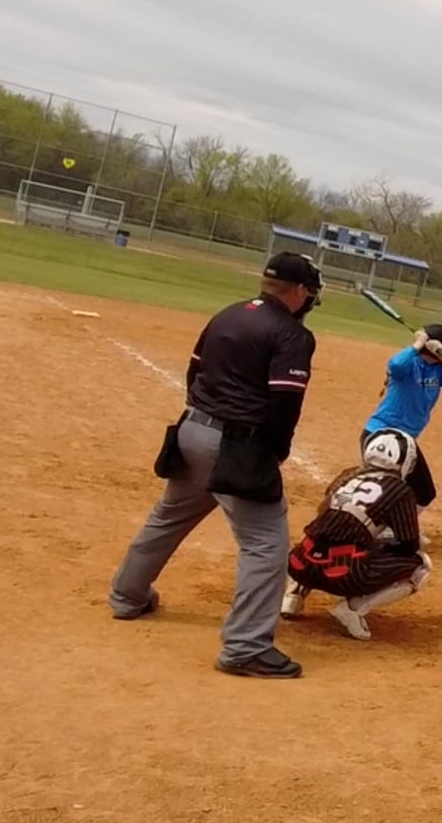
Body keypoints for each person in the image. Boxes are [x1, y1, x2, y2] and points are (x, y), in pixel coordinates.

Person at [107, 251, 323, 679]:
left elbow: (194, 373)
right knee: (265, 544)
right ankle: (245, 647)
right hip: (236, 445)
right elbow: (285, 404)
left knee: (169, 516)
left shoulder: (229, 313)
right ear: (299, 291)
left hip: (191, 430)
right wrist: (273, 452)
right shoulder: (292, 334)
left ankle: (127, 596)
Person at [279, 428, 431, 641]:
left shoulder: (347, 475)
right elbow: (408, 544)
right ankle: (352, 609)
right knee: (419, 566)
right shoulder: (400, 489)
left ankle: (293, 595)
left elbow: (324, 515)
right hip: (341, 574)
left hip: (299, 563)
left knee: (321, 541)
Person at [362, 322, 442, 508]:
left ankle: (396, 523)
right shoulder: (409, 366)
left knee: (424, 493)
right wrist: (418, 343)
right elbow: (395, 364)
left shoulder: (437, 370)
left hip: (406, 440)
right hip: (383, 434)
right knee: (385, 491)